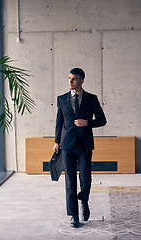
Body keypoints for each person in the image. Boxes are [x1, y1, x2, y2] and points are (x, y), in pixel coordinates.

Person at [53, 68, 107, 228]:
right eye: (69, 78)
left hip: (84, 144)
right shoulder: (62, 99)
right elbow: (59, 121)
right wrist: (57, 141)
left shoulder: (91, 99)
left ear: (82, 81)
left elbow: (102, 120)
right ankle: (74, 216)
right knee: (70, 182)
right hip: (67, 145)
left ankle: (84, 200)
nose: (70, 81)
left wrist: (87, 123)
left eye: (74, 79)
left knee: (85, 179)